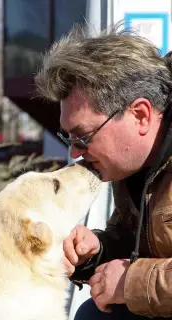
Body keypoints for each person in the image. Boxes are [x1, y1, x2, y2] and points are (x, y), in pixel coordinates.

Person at [35, 24, 172, 319]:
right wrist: (97, 249)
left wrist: (129, 282)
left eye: (82, 136)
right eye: (68, 139)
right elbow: (139, 239)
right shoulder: (133, 162)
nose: (74, 153)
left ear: (140, 115)